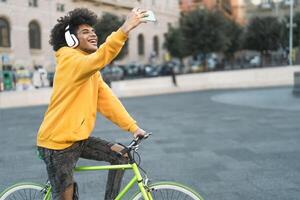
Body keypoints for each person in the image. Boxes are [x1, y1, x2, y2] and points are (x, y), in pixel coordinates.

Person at [36, 8, 148, 200]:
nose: (93, 34)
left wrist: (133, 127)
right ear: (71, 39)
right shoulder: (70, 61)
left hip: (78, 139)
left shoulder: (90, 70)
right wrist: (125, 29)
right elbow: (99, 58)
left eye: (93, 30)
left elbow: (108, 101)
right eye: (85, 31)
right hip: (57, 145)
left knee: (121, 155)